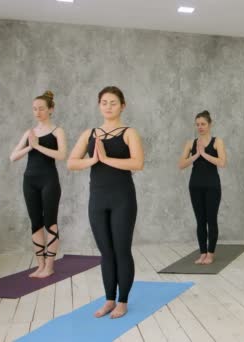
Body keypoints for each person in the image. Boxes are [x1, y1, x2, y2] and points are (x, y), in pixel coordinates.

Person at [67, 86, 144, 318]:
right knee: (106, 252)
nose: (108, 106)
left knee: (121, 250)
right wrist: (93, 160)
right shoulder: (89, 134)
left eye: (113, 102)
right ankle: (109, 299)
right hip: (97, 200)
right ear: (99, 105)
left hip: (123, 199)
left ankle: (123, 301)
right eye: (104, 102)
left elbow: (137, 163)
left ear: (123, 105)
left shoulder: (129, 132)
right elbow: (71, 162)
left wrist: (107, 158)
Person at [10, 90, 66, 278]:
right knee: (35, 223)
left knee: (50, 222)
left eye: (41, 109)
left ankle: (50, 266)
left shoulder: (57, 131)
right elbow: (13, 157)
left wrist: (38, 146)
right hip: (30, 181)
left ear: (51, 109)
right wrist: (29, 146)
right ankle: (40, 265)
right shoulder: (29, 133)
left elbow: (61, 155)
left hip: (49, 180)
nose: (37, 112)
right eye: (34, 109)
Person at [178, 110, 227, 265]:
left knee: (211, 220)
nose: (200, 127)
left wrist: (205, 154)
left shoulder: (217, 141)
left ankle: (210, 254)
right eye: (198, 124)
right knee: (200, 221)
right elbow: (181, 164)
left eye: (203, 124)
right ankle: (202, 253)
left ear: (209, 124)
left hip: (212, 186)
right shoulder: (190, 143)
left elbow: (222, 162)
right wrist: (196, 155)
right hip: (195, 186)